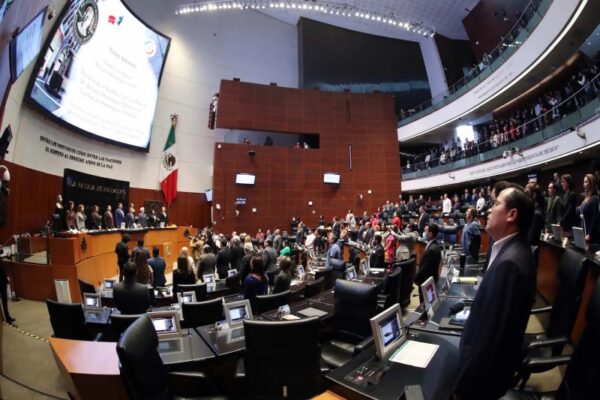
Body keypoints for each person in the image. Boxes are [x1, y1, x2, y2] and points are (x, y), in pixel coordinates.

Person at [453, 186, 535, 400]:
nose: (489, 209)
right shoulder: (510, 251)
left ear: (512, 215)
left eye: (496, 203)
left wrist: (462, 388)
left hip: (479, 385)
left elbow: (490, 339)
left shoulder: (511, 264)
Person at [414, 223, 441, 303]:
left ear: (430, 234)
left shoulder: (432, 249)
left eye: (426, 231)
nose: (424, 233)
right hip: (429, 281)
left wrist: (415, 278)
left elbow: (426, 268)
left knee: (425, 304)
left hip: (426, 282)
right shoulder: (434, 245)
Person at [580, 173, 600, 245]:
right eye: (583, 182)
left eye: (586, 182)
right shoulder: (586, 198)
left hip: (591, 234)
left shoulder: (594, 198)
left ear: (591, 183)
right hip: (584, 230)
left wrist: (589, 233)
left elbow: (595, 217)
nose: (583, 184)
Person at [0, 255, 15, 324]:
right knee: (4, 301)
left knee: (4, 302)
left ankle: (7, 317)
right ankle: (7, 318)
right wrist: (6, 278)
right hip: (1, 283)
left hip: (2, 282)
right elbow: (1, 270)